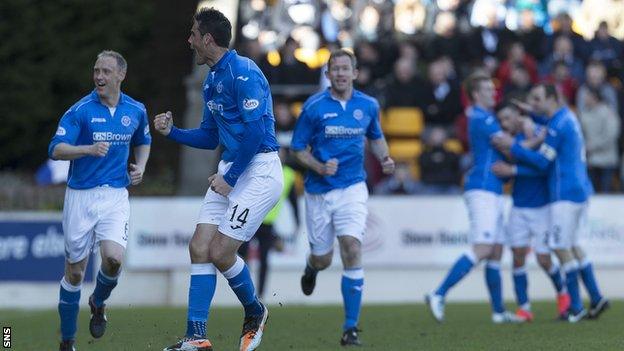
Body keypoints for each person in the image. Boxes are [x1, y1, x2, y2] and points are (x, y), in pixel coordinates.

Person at [154, 8, 282, 351]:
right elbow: (209, 138)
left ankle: (255, 312)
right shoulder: (212, 81)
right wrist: (173, 132)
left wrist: (231, 177)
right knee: (199, 247)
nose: (190, 40)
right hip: (232, 167)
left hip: (258, 170)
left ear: (207, 39)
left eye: (194, 34)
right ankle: (196, 336)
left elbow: (256, 133)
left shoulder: (244, 73)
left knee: (221, 251)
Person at [48, 50, 151, 351]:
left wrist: (141, 166)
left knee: (114, 259)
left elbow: (143, 139)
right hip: (81, 196)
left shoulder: (136, 109)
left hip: (116, 195)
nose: (99, 77)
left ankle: (99, 301)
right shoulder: (79, 111)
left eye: (106, 71)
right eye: (96, 71)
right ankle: (67, 341)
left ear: (121, 75)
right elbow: (55, 149)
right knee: (75, 272)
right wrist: (87, 150)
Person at [291, 49, 395, 346]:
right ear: (327, 75)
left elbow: (375, 136)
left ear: (355, 73)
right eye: (334, 69)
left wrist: (385, 157)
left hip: (352, 187)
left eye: (344, 68)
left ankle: (350, 328)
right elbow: (298, 149)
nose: (339, 73)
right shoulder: (313, 108)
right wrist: (319, 166)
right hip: (319, 191)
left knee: (351, 246)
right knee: (324, 258)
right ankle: (312, 267)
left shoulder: (368, 105)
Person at [491, 83, 610, 322]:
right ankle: (596, 298)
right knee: (573, 244)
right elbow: (549, 125)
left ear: (553, 98)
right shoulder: (568, 117)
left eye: (537, 99)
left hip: (563, 192)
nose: (533, 104)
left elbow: (542, 163)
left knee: (559, 246)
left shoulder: (556, 126)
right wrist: (534, 113)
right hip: (579, 189)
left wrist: (513, 148)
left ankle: (575, 307)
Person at [425, 72, 521, 324]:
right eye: (489, 89)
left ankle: (499, 312)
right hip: (482, 188)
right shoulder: (481, 118)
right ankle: (438, 293)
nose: (494, 93)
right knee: (483, 248)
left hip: (494, 190)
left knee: (497, 251)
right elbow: (508, 146)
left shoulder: (486, 117)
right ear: (476, 95)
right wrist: (538, 139)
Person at [494, 101, 570, 322]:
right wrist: (507, 171)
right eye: (502, 121)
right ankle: (524, 308)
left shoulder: (538, 134)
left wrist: (514, 169)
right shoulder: (510, 142)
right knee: (518, 257)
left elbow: (542, 168)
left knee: (544, 259)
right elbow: (507, 173)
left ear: (519, 116)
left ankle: (563, 295)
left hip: (542, 207)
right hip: (518, 206)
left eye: (508, 118)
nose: (505, 124)